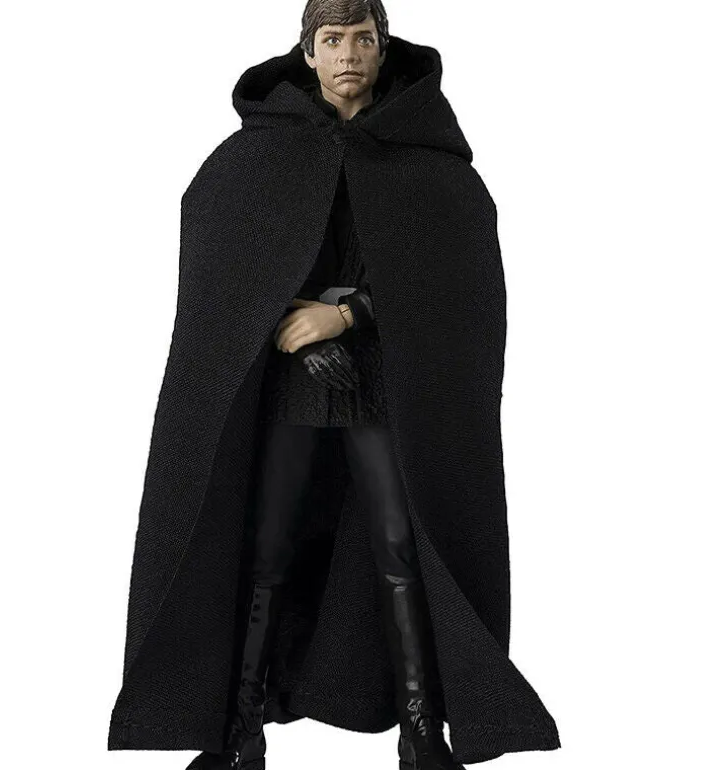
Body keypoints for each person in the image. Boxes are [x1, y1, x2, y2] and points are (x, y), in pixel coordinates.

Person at [108, 1, 561, 767]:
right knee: (267, 550)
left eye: (362, 39)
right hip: (291, 390)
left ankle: (421, 730)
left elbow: (451, 290)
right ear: (308, 54)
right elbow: (225, 280)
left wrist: (345, 317)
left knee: (399, 552)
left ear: (383, 50)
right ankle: (239, 733)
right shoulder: (251, 159)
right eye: (332, 39)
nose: (348, 53)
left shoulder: (432, 168)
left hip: (386, 391)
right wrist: (280, 311)